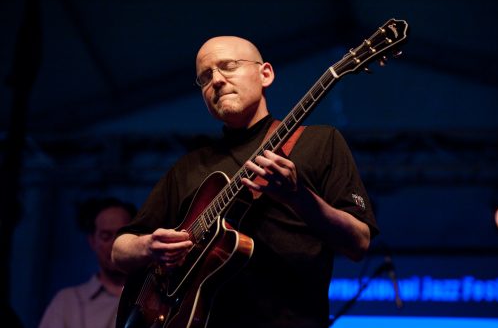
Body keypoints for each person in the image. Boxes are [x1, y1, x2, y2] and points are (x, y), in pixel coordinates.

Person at [112, 36, 378, 328]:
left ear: (266, 74)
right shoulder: (189, 167)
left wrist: (298, 196)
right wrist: (150, 246)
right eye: (205, 76)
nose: (216, 80)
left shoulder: (319, 142)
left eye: (228, 66)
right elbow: (120, 250)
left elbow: (358, 243)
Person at [39, 197, 136, 328]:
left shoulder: (153, 296)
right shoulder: (66, 302)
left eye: (122, 236)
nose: (115, 244)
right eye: (106, 236)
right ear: (92, 241)